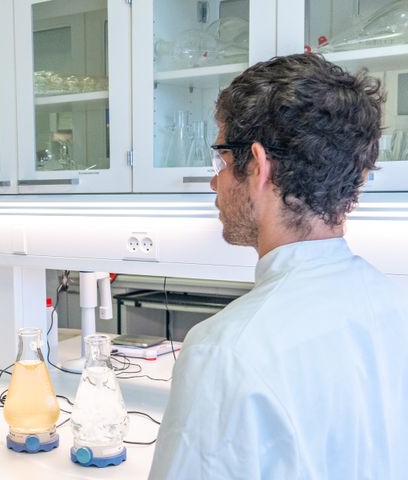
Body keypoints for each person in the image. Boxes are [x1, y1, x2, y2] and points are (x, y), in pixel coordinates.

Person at [149, 54, 408, 478]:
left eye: (223, 162)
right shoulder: (394, 307)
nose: (216, 182)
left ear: (258, 165)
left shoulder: (226, 352)